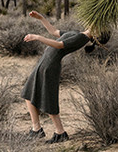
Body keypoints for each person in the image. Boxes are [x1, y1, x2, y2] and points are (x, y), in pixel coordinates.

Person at [21, 10, 109, 144]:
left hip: (49, 66)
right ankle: (36, 129)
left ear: (97, 35)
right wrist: (41, 18)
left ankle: (59, 132)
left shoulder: (82, 38)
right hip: (45, 64)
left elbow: (59, 45)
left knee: (48, 99)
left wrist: (38, 37)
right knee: (28, 93)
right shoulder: (79, 34)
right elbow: (54, 32)